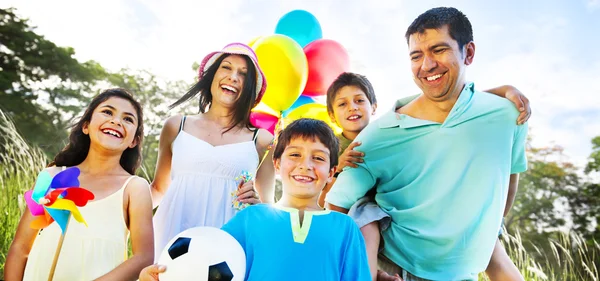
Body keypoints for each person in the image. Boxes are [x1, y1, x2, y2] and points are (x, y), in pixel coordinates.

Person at [326, 7, 529, 281]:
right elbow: (336, 208)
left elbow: (509, 174)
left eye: (439, 50)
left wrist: (486, 228)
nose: (427, 65)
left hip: (462, 272)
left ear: (468, 53)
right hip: (399, 269)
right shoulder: (377, 136)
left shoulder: (508, 114)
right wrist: (368, 272)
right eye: (416, 56)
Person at [139, 118, 371, 281]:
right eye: (295, 154)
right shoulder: (250, 219)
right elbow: (204, 265)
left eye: (318, 158)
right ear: (277, 164)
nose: (305, 165)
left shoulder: (345, 228)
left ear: (331, 172)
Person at [5, 88, 154, 281]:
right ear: (86, 126)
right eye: (108, 112)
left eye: (128, 119)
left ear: (134, 141)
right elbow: (21, 248)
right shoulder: (52, 177)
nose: (116, 121)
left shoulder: (135, 188)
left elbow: (144, 257)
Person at [151, 43, 275, 259]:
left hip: (228, 246)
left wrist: (258, 203)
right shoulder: (176, 126)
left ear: (249, 88)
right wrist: (119, 211)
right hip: (171, 238)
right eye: (226, 68)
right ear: (212, 76)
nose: (233, 77)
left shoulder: (263, 140)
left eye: (243, 74)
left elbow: (268, 207)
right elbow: (159, 189)